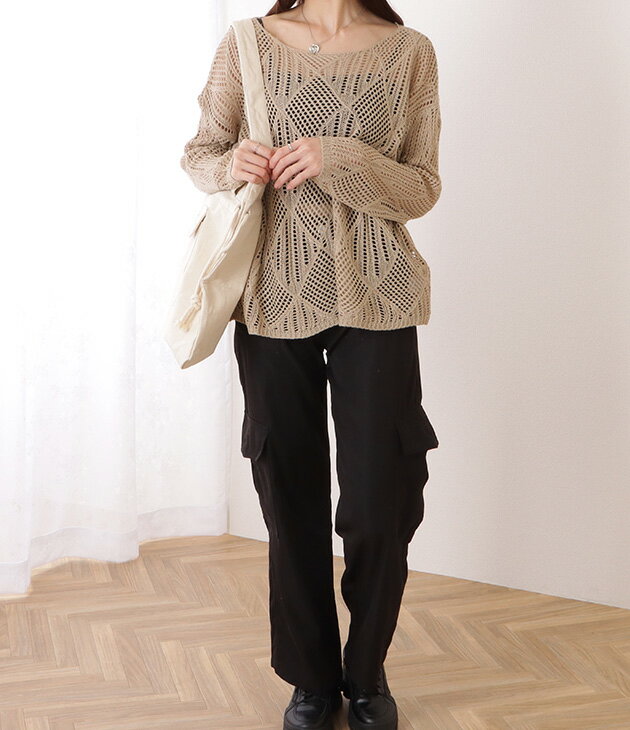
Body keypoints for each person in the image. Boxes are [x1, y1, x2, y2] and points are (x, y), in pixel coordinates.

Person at [180, 1, 442, 728]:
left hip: (379, 297)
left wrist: (340, 159)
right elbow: (200, 152)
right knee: (288, 495)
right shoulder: (247, 43)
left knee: (380, 499)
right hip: (271, 296)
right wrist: (230, 164)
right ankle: (311, 679)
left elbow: (421, 186)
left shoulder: (409, 51)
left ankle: (367, 669)